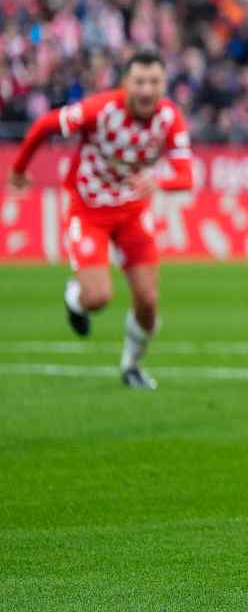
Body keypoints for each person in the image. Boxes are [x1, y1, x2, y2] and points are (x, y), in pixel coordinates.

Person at [7, 48, 194, 389]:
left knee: (148, 301)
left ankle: (131, 366)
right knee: (97, 298)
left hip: (132, 212)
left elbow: (186, 176)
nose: (147, 90)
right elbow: (45, 124)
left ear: (164, 84)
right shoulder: (101, 109)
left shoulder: (169, 118)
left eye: (154, 82)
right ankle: (74, 298)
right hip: (88, 208)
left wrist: (160, 181)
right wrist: (19, 170)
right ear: (125, 83)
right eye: (140, 81)